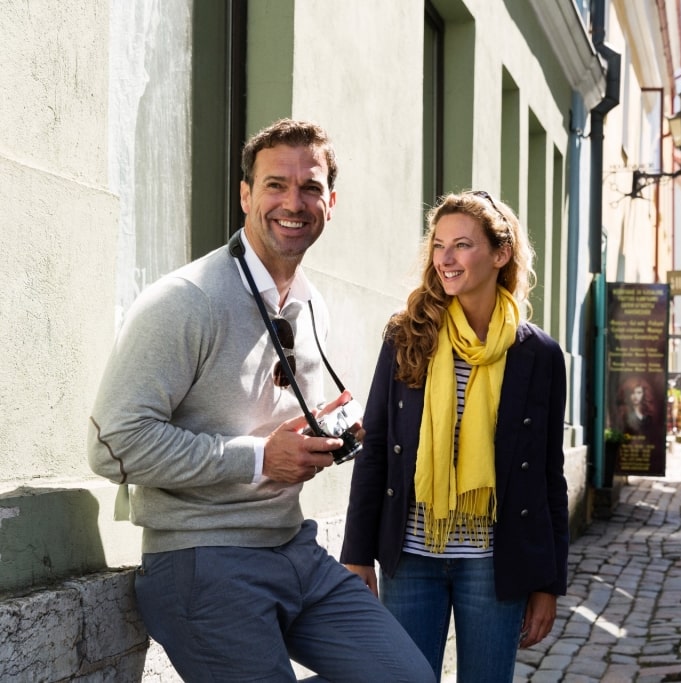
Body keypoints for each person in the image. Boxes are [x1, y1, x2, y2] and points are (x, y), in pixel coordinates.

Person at [87, 119, 433, 682]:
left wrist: (321, 438)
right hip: (203, 557)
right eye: (275, 185)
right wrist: (257, 458)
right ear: (245, 194)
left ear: (331, 202)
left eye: (310, 187)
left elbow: (277, 423)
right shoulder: (185, 300)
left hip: (294, 547)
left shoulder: (311, 302)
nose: (293, 202)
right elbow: (113, 445)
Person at [340, 191, 569, 682]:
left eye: (461, 245)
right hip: (411, 556)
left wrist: (549, 583)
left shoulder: (538, 354)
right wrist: (356, 555)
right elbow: (375, 447)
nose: (445, 258)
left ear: (500, 254)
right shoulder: (408, 336)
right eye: (439, 245)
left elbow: (549, 473)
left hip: (493, 563)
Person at [617, 375, 660, 443]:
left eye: (639, 393)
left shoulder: (648, 414)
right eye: (632, 393)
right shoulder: (624, 414)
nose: (636, 396)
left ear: (643, 394)